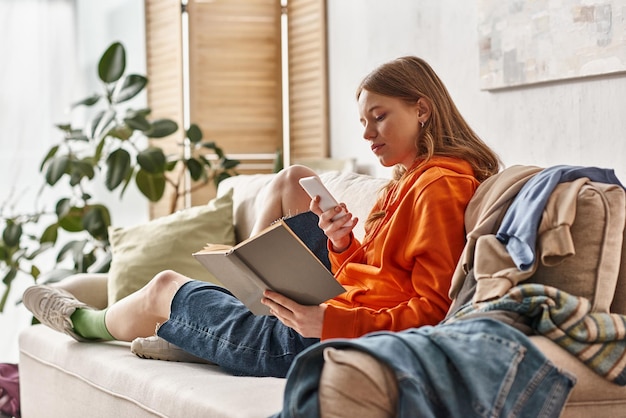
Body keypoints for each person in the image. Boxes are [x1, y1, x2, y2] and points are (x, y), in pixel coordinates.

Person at [22, 56, 500, 378]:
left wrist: (326, 324)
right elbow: (380, 275)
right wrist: (340, 243)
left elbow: (434, 314)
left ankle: (82, 321)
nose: (368, 135)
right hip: (336, 314)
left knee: (165, 286)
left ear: (423, 109)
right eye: (363, 123)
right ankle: (213, 324)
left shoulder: (440, 185)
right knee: (293, 182)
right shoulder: (410, 178)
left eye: (380, 117)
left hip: (328, 341)